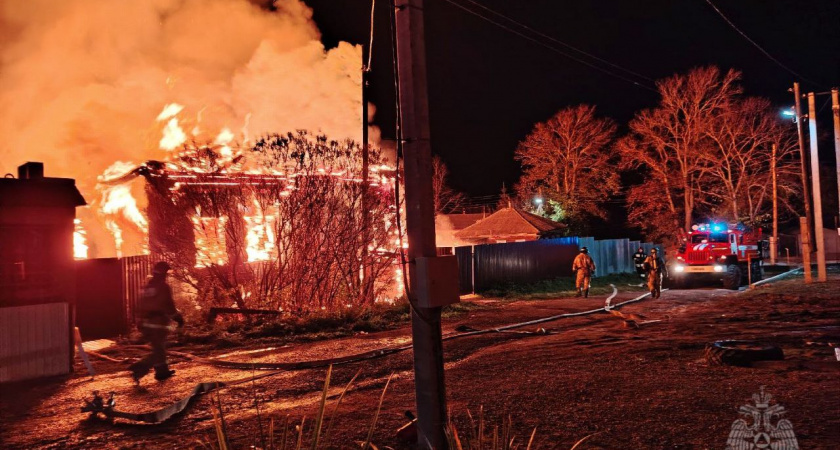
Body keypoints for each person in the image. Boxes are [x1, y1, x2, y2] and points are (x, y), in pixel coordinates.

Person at [129, 261, 184, 384]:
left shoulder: (147, 286)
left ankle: (162, 371)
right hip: (157, 322)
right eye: (166, 273)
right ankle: (139, 368)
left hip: (145, 322)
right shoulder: (163, 287)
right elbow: (168, 305)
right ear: (164, 273)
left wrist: (139, 321)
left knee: (159, 347)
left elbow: (138, 305)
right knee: (159, 350)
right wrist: (178, 318)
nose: (167, 275)